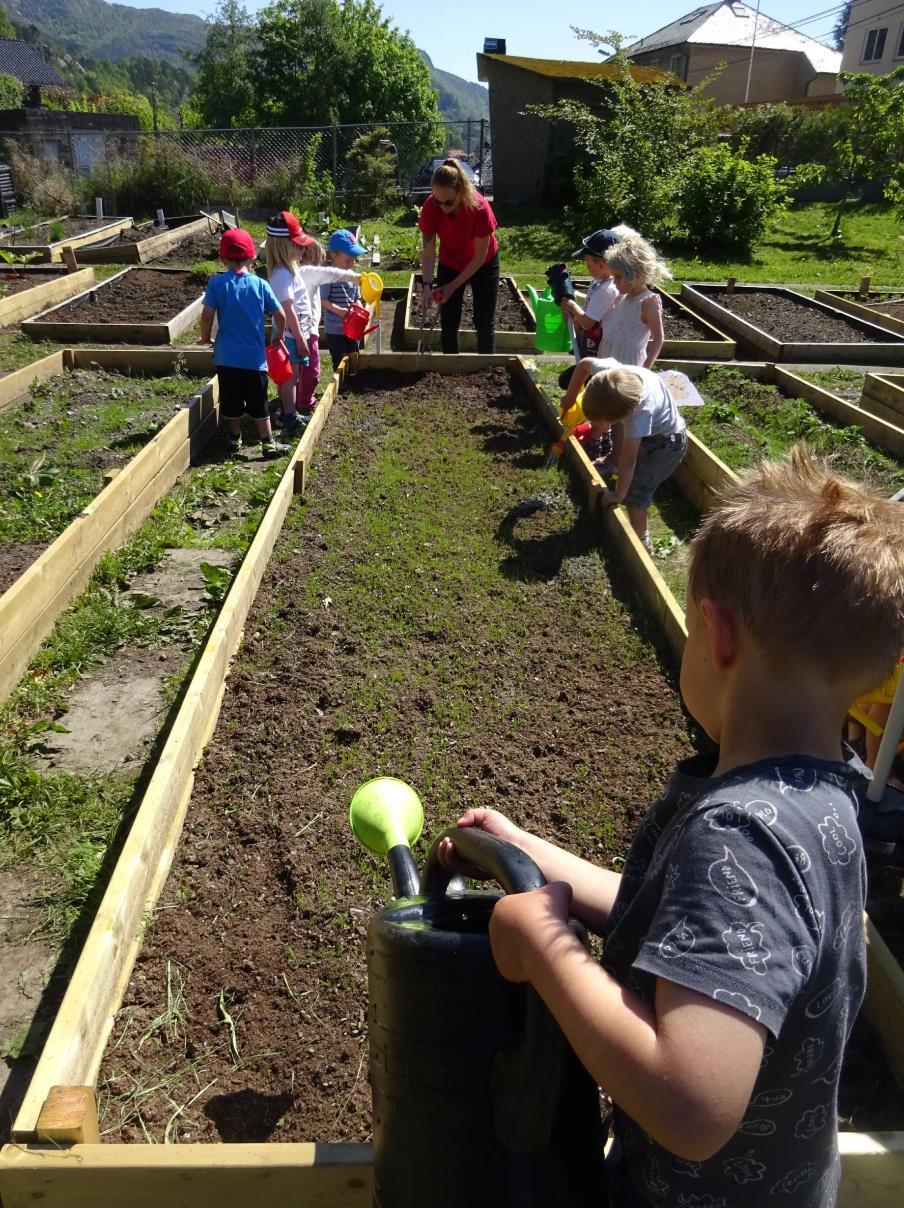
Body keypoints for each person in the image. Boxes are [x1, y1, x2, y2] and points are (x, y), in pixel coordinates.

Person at [440, 448, 904, 1208]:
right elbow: (696, 925)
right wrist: (529, 850)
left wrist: (545, 948)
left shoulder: (742, 838)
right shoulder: (823, 796)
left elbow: (691, 1104)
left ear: (716, 636)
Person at [560, 362, 687, 551]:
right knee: (627, 465)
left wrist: (619, 494)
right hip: (653, 430)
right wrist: (570, 397)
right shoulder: (611, 375)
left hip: (666, 444)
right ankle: (614, 465)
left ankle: (642, 541)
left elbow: (629, 459)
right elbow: (584, 364)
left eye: (604, 421)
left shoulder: (640, 414)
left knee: (636, 491)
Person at [199, 227, 288, 459]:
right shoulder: (260, 285)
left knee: (231, 400)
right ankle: (267, 442)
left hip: (226, 358)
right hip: (254, 359)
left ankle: (234, 439)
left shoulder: (217, 283)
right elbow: (280, 315)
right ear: (253, 257)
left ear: (223, 258)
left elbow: (207, 315)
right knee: (259, 402)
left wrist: (205, 337)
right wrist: (278, 335)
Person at [265, 213, 361, 427]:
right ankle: (288, 416)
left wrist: (355, 278)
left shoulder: (297, 270)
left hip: (300, 334)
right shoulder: (281, 275)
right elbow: (287, 312)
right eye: (298, 246)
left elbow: (327, 273)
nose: (302, 250)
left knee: (294, 376)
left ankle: (287, 412)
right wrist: (300, 339)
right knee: (289, 378)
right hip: (292, 336)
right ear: (282, 246)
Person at [419, 158, 500, 354]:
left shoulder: (480, 209)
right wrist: (427, 284)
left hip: (483, 263)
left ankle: (486, 370)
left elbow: (479, 258)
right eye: (439, 202)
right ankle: (449, 370)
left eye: (449, 203)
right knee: (449, 320)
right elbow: (429, 253)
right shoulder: (431, 207)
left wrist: (453, 286)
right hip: (450, 261)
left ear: (461, 191)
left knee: (483, 320)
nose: (443, 208)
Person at [600, 233, 670, 369]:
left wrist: (645, 369)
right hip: (610, 357)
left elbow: (658, 338)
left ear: (635, 276)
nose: (614, 281)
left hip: (629, 364)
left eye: (618, 277)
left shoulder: (648, 302)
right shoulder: (621, 297)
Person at [321, 228, 367, 370]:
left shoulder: (353, 277)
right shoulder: (328, 277)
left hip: (352, 328)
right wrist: (340, 311)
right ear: (334, 255)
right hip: (335, 329)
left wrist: (360, 311)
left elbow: (356, 298)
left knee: (353, 354)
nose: (351, 263)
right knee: (339, 360)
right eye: (347, 260)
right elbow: (322, 300)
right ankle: (339, 388)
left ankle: (353, 379)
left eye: (353, 259)